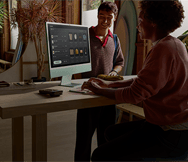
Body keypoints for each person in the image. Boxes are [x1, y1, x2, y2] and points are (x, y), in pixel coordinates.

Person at [81, 0, 188, 161]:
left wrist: (99, 90)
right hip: (173, 126)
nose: (138, 26)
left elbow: (134, 94)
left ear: (153, 23)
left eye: (141, 21)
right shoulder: (173, 43)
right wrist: (110, 83)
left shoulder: (162, 50)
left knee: (99, 155)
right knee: (110, 132)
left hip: (173, 133)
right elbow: (143, 81)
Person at [74, 2, 124, 162]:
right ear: (97, 16)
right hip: (87, 95)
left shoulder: (114, 39)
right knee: (83, 140)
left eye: (109, 18)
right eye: (102, 17)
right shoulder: (84, 36)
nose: (105, 21)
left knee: (106, 138)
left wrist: (114, 72)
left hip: (108, 96)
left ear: (114, 18)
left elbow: (120, 62)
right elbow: (75, 63)